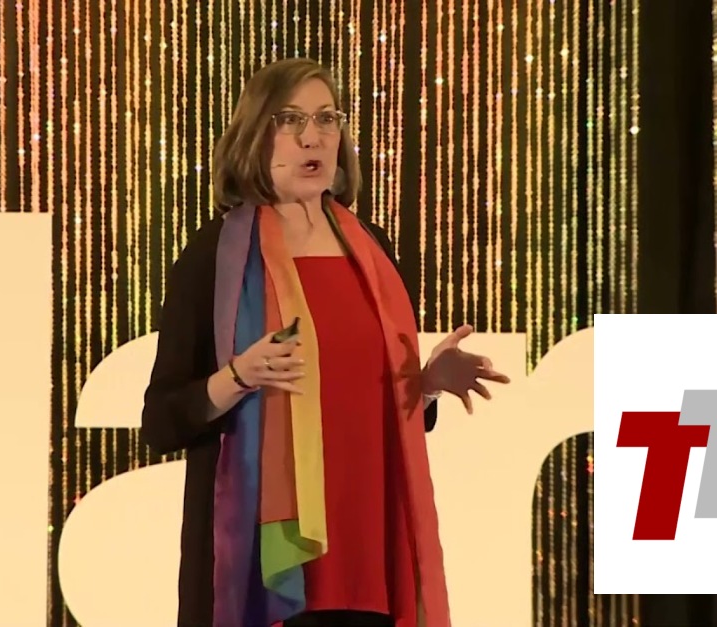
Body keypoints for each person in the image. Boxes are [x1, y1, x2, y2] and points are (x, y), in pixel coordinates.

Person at [140, 57, 510, 627]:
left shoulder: (373, 250)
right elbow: (162, 421)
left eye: (327, 118)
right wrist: (239, 376)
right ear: (256, 134)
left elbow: (378, 409)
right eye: (290, 119)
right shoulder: (216, 257)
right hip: (263, 577)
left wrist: (428, 386)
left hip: (369, 563)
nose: (312, 137)